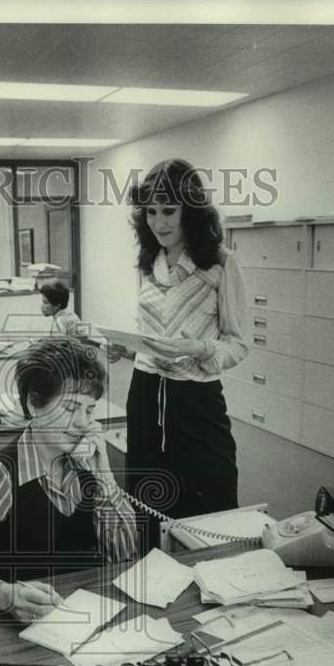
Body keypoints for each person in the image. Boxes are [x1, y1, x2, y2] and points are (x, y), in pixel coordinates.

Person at [0, 336, 143, 622]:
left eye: (88, 410)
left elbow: (125, 557)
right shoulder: (1, 473)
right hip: (23, 628)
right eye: (69, 408)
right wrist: (3, 594)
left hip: (85, 616)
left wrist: (106, 479)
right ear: (33, 405)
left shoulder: (88, 466)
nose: (81, 423)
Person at [126, 158, 249, 525]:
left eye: (168, 210)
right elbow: (153, 333)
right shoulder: (148, 262)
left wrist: (201, 349)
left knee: (213, 499)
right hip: (146, 393)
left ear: (190, 211)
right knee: (148, 499)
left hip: (196, 399)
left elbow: (238, 344)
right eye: (150, 212)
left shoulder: (221, 264)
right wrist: (130, 348)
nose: (158, 222)